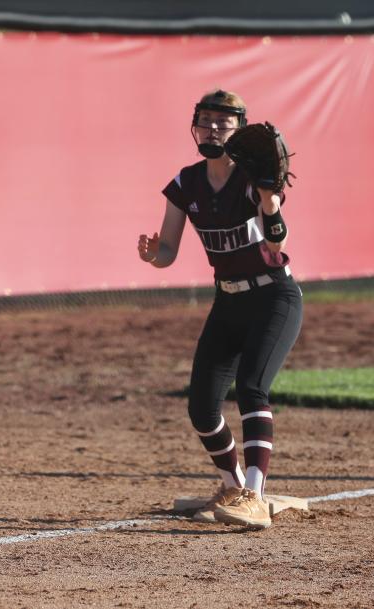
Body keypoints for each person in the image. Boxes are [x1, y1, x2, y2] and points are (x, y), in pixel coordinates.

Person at [138, 89, 302, 529]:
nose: (212, 128)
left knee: (251, 388)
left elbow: (276, 244)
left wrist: (270, 201)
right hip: (228, 299)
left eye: (222, 122)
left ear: (239, 130)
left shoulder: (254, 179)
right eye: (206, 119)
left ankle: (254, 493)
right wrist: (154, 254)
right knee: (202, 408)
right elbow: (168, 249)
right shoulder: (185, 183)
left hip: (273, 297)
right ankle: (231, 485)